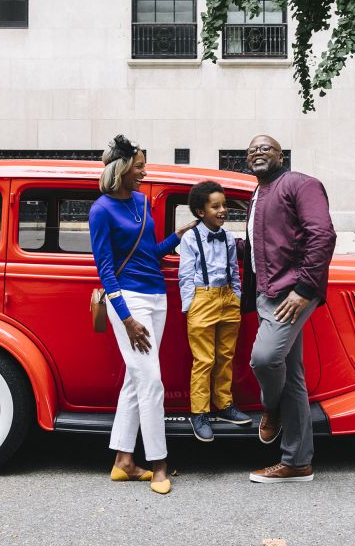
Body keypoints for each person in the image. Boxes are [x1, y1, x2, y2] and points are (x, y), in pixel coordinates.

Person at [89, 135, 197, 495]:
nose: (144, 171)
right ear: (121, 169)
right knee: (151, 381)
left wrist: (178, 236)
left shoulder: (140, 200)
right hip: (130, 301)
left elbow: (148, 252)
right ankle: (159, 464)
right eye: (139, 166)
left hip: (157, 297)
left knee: (136, 380)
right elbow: (105, 269)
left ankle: (123, 462)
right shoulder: (101, 210)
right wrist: (126, 318)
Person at [242, 134, 337, 483]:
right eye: (252, 150)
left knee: (264, 359)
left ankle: (270, 408)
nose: (258, 153)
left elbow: (322, 234)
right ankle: (297, 462)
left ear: (282, 155)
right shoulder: (256, 193)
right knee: (293, 376)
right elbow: (264, 243)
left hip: (292, 292)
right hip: (268, 292)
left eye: (266, 148)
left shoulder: (301, 184)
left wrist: (305, 289)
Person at [178, 181, 251, 442]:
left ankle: (224, 405)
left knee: (225, 356)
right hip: (202, 298)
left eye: (223, 205)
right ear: (201, 212)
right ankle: (199, 412)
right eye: (215, 206)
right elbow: (185, 274)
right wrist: (191, 306)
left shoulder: (228, 237)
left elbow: (233, 268)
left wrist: (236, 296)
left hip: (227, 298)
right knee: (204, 359)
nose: (222, 210)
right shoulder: (190, 237)